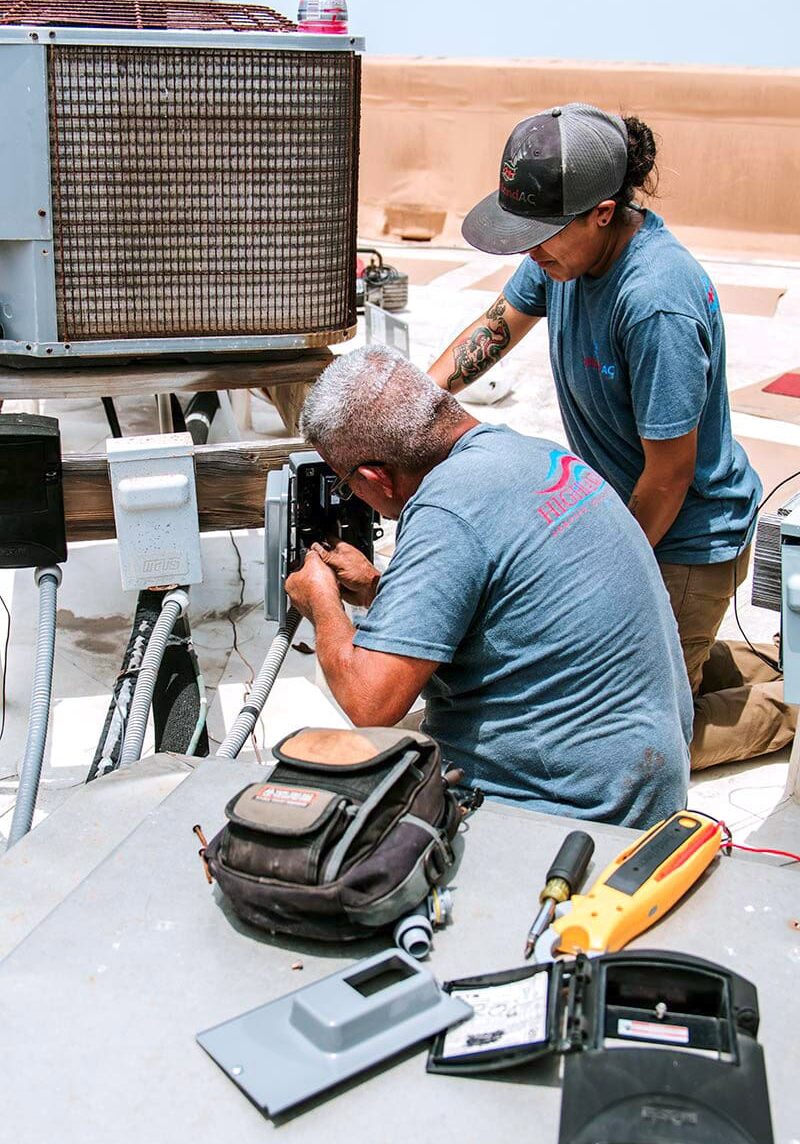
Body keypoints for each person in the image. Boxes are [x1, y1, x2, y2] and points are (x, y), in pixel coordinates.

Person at [429, 102, 795, 770]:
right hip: (633, 517)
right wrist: (420, 404)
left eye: (540, 234)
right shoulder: (563, 251)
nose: (530, 251)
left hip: (686, 539)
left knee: (635, 742)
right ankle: (759, 659)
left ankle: (790, 707)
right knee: (599, 668)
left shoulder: (656, 301)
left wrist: (602, 571)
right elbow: (497, 326)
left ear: (602, 211)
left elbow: (670, 477)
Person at [285, 343, 692, 829]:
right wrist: (379, 588)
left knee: (312, 806)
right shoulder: (530, 452)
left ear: (379, 477)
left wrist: (323, 603)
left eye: (350, 486)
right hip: (645, 782)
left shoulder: (446, 512)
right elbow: (507, 601)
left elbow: (369, 703)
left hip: (572, 810)